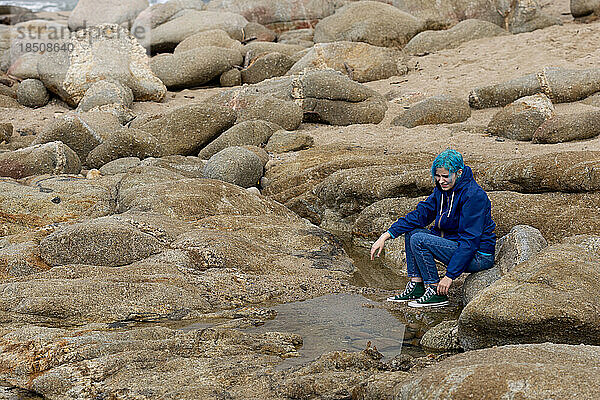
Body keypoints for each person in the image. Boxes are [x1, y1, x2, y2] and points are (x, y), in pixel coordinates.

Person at [370, 149, 496, 308]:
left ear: (459, 172)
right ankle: (417, 286)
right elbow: (420, 215)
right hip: (454, 243)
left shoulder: (474, 196)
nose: (441, 180)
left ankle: (435, 292)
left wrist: (450, 276)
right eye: (438, 176)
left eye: (445, 176)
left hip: (478, 256)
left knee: (419, 239)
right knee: (412, 232)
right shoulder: (442, 190)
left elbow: (470, 241)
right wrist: (386, 235)